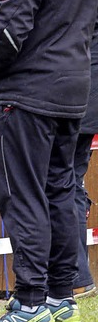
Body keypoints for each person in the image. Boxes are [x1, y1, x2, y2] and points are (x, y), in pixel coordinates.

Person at [0, 0, 98, 322]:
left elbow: (11, 28)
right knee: (61, 190)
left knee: (21, 192)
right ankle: (61, 296)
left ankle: (29, 302)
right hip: (74, 90)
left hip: (28, 92)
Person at [70, 37, 98, 300]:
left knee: (63, 187)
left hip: (75, 105)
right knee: (72, 187)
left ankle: (77, 278)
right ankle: (78, 278)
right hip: (87, 109)